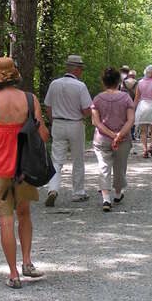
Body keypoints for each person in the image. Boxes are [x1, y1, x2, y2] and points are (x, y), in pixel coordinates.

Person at [0, 57, 49, 289]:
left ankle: (13, 273)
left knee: (5, 221)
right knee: (25, 214)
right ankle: (27, 261)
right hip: (24, 168)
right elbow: (44, 135)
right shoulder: (30, 99)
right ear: (14, 75)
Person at [44, 55, 92, 207]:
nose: (82, 71)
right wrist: (84, 115)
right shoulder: (80, 86)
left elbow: (48, 106)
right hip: (75, 124)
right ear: (77, 69)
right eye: (81, 69)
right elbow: (86, 109)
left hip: (58, 123)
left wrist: (53, 121)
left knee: (57, 160)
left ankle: (52, 189)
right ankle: (78, 192)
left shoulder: (54, 84)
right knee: (78, 159)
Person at [91, 68, 135, 212]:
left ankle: (106, 199)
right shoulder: (126, 98)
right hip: (123, 139)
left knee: (103, 167)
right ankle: (117, 194)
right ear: (118, 81)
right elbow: (130, 120)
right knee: (120, 167)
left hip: (102, 139)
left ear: (103, 82)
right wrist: (118, 135)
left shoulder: (97, 99)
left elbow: (96, 122)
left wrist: (110, 134)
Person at [134, 65, 152, 158]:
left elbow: (137, 98)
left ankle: (144, 150)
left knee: (143, 131)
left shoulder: (140, 83)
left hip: (142, 106)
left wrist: (133, 109)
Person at [120, 69, 138, 140]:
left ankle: (126, 133)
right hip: (133, 101)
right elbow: (137, 93)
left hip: (124, 101)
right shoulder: (136, 83)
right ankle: (132, 134)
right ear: (134, 76)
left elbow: (121, 91)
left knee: (125, 118)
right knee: (132, 117)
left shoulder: (124, 82)